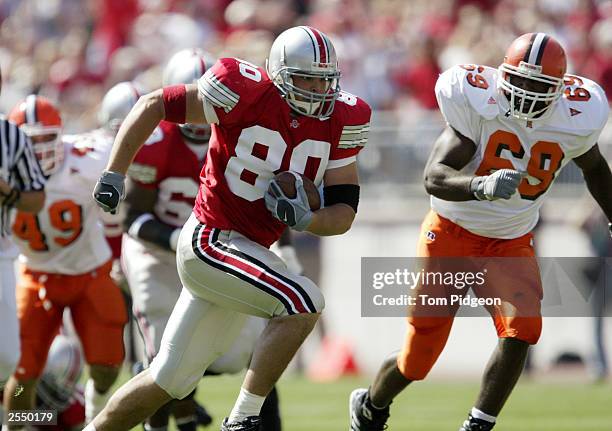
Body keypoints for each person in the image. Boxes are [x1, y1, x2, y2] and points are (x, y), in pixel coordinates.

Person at [92, 25, 370, 431]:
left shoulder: (344, 117)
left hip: (246, 251)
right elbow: (154, 103)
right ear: (278, 75)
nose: (316, 89)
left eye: (324, 80)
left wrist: (307, 219)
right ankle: (242, 420)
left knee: (166, 379)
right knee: (304, 301)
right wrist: (115, 174)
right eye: (305, 78)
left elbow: (344, 212)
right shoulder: (244, 91)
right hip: (210, 239)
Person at [350, 32, 612, 431]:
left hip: (509, 240)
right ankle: (371, 404)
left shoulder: (575, 119)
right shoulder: (477, 103)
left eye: (537, 86)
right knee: (418, 358)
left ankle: (477, 425)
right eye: (518, 81)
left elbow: (594, 168)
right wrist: (480, 185)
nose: (524, 92)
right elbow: (433, 177)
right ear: (503, 76)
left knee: (522, 328)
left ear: (559, 90)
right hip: (451, 232)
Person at [122, 48, 281, 431]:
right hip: (159, 253)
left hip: (220, 247)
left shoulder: (244, 133)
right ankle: (167, 421)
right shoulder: (157, 141)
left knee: (254, 346)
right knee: (163, 356)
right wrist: (180, 238)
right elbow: (132, 216)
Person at [4, 95, 128, 426]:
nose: (40, 147)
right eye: (31, 140)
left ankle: (93, 414)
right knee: (22, 374)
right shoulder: (5, 174)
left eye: (47, 137)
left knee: (106, 366)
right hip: (35, 276)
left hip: (90, 274)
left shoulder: (89, 159)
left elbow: (130, 147)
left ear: (62, 134)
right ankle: (17, 422)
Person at [0, 70, 47, 423]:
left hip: (2, 254)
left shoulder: (10, 136)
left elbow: (36, 198)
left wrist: (8, 192)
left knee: (7, 358)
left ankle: (22, 416)